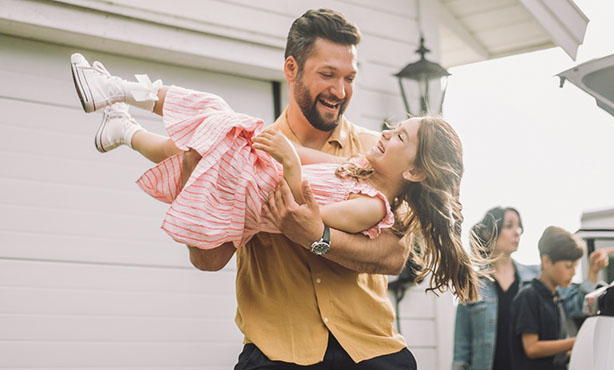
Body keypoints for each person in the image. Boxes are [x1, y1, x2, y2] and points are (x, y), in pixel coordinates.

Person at [69, 9, 478, 369]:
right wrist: (201, 176)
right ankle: (125, 122)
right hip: (278, 355)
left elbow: (392, 256)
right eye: (327, 75)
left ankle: (125, 114)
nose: (340, 90)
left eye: (349, 77)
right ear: (291, 69)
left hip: (369, 351)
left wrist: (317, 239)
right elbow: (208, 261)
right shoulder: (269, 147)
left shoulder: (377, 154)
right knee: (205, 131)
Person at [452, 208, 605, 370]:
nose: (517, 232)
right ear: (488, 233)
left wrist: (593, 272)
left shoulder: (537, 277)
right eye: (509, 226)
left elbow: (577, 304)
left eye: (519, 227)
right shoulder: (473, 285)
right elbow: (462, 350)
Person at [511, 226, 588, 370]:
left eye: (575, 266)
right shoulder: (528, 296)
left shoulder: (556, 298)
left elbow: (556, 353)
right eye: (568, 266)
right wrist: (577, 341)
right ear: (546, 261)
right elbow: (532, 348)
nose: (573, 272)